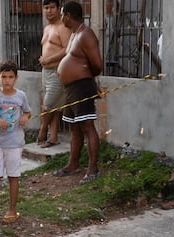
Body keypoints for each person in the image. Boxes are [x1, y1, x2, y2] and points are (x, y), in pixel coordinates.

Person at [55, 1, 104, 184]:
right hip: (71, 89)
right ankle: (73, 164)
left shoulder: (86, 34)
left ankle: (93, 169)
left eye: (62, 15)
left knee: (87, 126)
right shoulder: (74, 34)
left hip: (82, 87)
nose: (61, 18)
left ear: (68, 15)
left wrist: (89, 79)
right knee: (74, 127)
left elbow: (98, 64)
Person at [0, 61, 31, 224]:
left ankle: (12, 209)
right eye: (4, 77)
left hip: (15, 143)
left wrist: (25, 117)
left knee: (13, 176)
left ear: (16, 78)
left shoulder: (21, 96)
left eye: (11, 77)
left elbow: (27, 112)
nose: (7, 80)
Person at [37, 0, 71, 148]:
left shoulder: (63, 27)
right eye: (46, 8)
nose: (49, 11)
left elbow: (67, 49)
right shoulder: (47, 28)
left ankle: (42, 131)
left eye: (52, 7)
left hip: (58, 71)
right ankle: (54, 136)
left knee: (49, 104)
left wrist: (49, 59)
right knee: (55, 106)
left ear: (59, 9)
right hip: (46, 71)